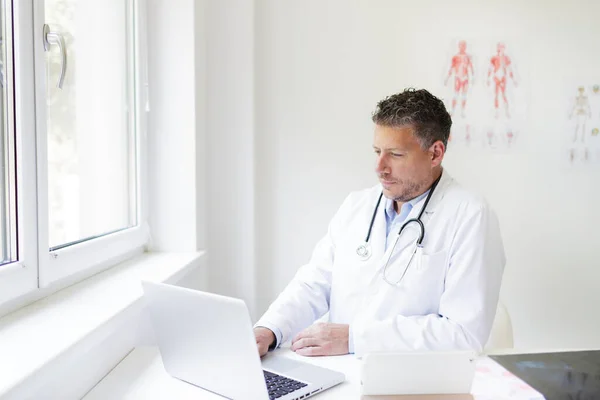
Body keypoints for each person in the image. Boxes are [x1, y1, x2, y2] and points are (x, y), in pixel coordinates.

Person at [254, 88, 506, 358]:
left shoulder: (470, 216)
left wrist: (355, 339)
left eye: (395, 155)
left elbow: (462, 334)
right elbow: (314, 284)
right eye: (377, 151)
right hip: (339, 373)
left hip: (409, 383)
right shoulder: (357, 206)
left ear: (435, 153)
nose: (380, 167)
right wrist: (269, 329)